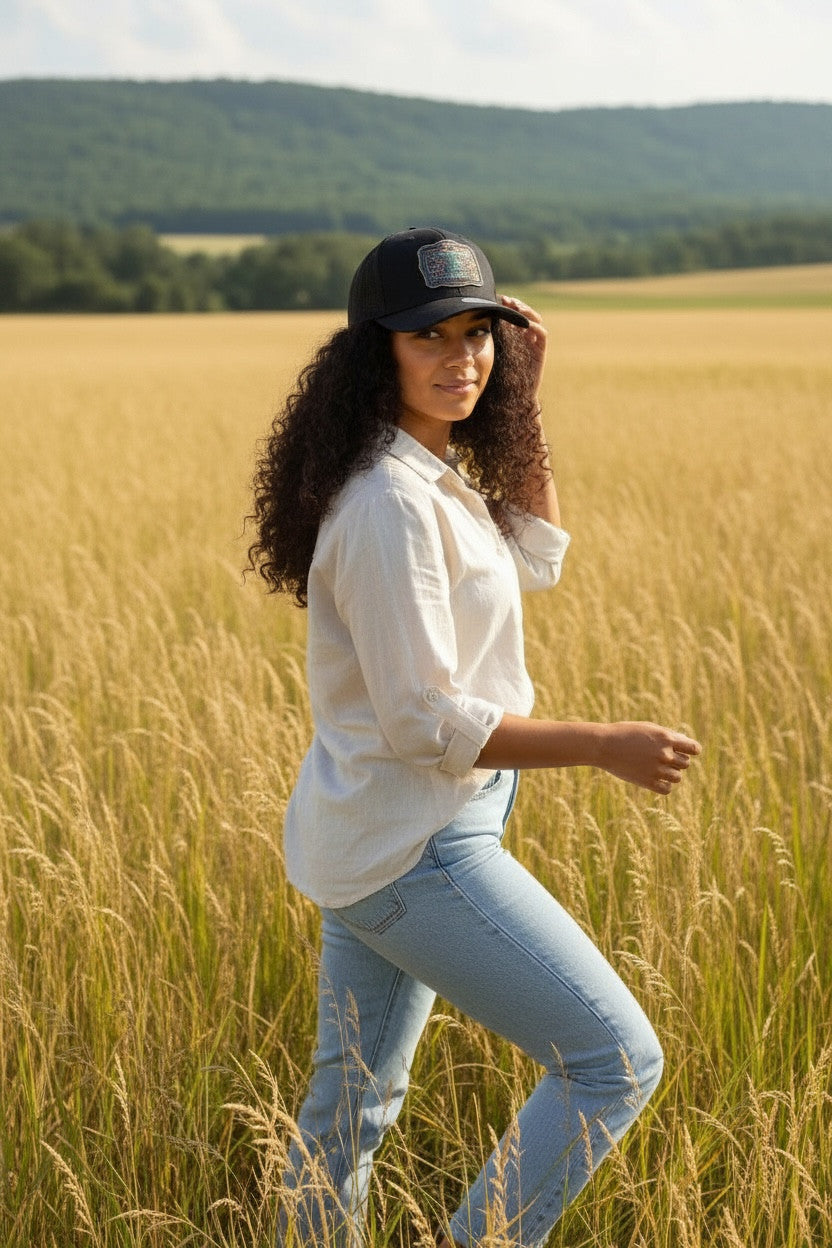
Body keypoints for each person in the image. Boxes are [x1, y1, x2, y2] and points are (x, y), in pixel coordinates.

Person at [247, 227, 701, 1248]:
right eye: (429, 337)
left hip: (370, 839)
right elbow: (423, 722)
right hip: (419, 851)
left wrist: (524, 401)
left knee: (349, 1111)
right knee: (613, 1062)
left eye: (477, 334)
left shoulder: (426, 474)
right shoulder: (389, 505)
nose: (461, 358)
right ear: (376, 353)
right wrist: (599, 744)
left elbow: (536, 553)